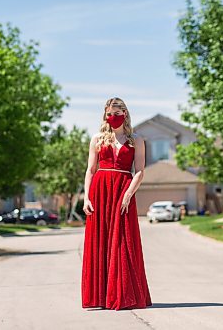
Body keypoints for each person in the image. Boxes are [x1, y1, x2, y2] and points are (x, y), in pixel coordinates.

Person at [81, 97, 152, 310]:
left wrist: (128, 194)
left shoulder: (136, 140)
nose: (113, 118)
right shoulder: (97, 139)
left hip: (123, 189)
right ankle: (100, 297)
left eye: (117, 114)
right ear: (105, 115)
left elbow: (139, 171)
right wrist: (86, 197)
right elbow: (90, 170)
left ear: (125, 114)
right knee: (100, 240)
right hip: (100, 192)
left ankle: (124, 294)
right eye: (109, 114)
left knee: (123, 241)